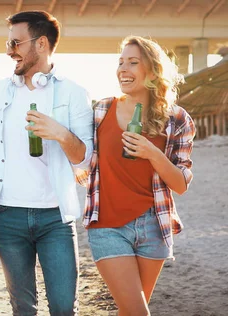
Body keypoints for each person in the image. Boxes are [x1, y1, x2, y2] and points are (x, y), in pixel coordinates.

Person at [0, 10, 94, 315]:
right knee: (22, 306)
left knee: (64, 307)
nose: (9, 50)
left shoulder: (74, 93)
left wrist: (61, 134)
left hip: (56, 218)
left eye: (15, 42)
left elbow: (85, 158)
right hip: (7, 217)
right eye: (7, 43)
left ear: (40, 44)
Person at [83, 35, 195, 315]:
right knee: (137, 311)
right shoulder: (100, 110)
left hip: (152, 225)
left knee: (130, 309)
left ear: (153, 71)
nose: (123, 69)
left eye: (133, 62)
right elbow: (79, 153)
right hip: (107, 224)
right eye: (120, 62)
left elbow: (180, 184)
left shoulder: (177, 119)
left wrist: (152, 153)